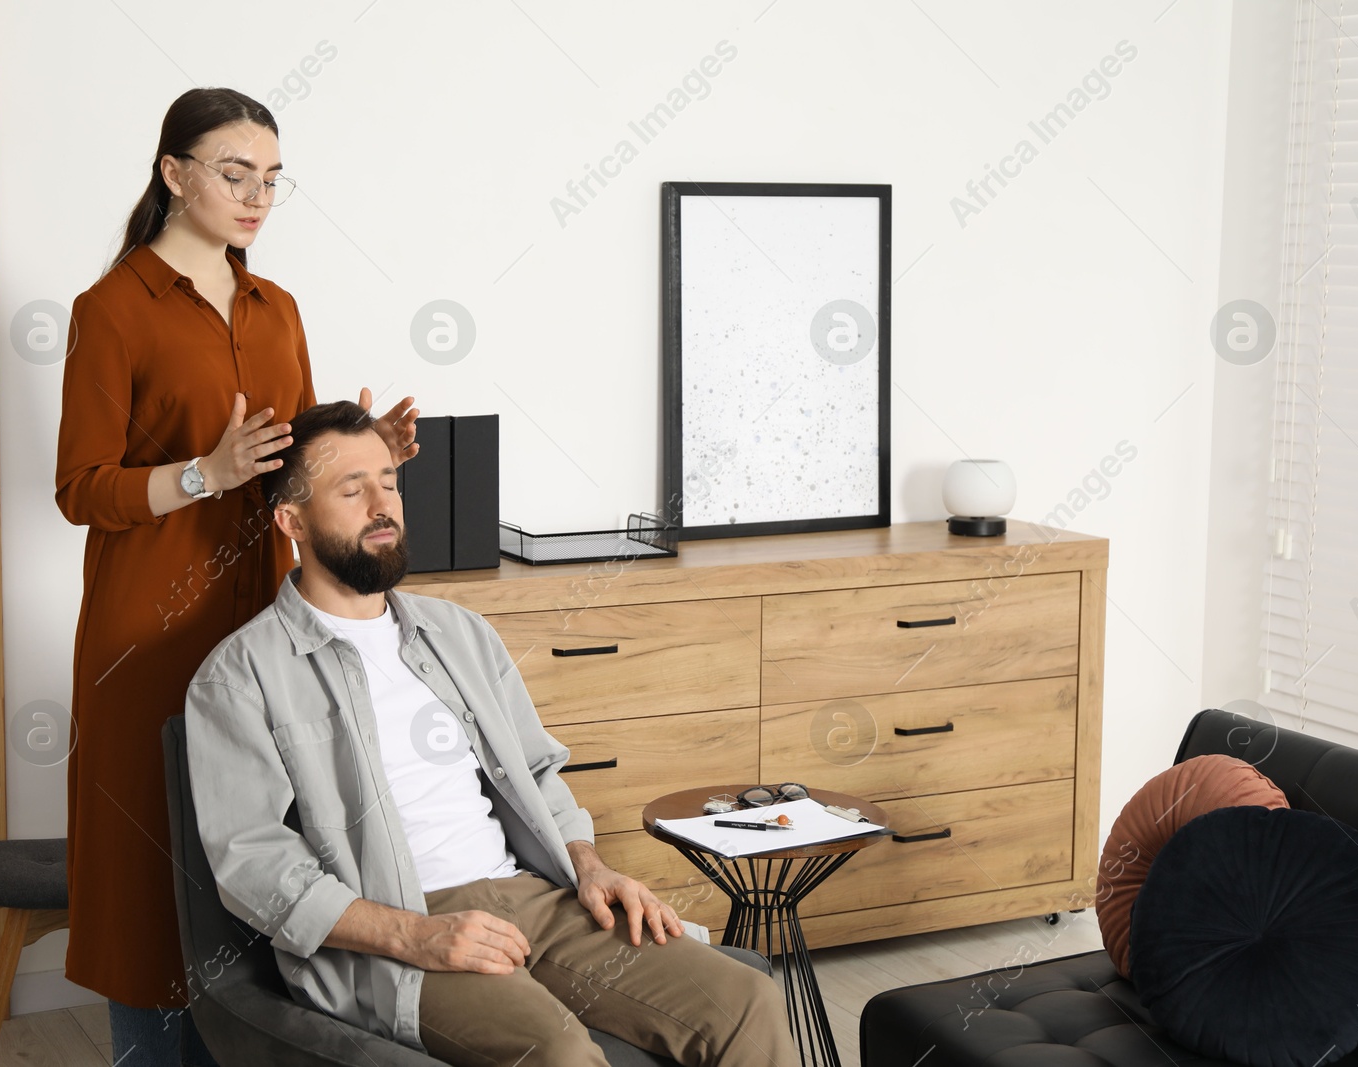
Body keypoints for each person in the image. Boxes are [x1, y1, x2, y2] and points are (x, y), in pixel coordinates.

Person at [184, 401, 800, 1067]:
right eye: (351, 488)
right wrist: (416, 934)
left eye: (389, 482)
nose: (382, 504)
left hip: (535, 894)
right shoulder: (240, 676)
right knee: (559, 1054)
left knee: (747, 1000)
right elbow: (255, 863)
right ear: (291, 519)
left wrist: (589, 866)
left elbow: (535, 771)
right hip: (399, 930)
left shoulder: (460, 634)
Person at [54, 88, 418, 1066]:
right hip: (148, 631)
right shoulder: (111, 310)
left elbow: (294, 465)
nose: (256, 195)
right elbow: (80, 488)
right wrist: (201, 474)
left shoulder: (276, 309)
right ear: (174, 174)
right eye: (233, 172)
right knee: (151, 876)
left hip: (265, 621)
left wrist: (365, 452)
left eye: (270, 178)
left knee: (270, 844)